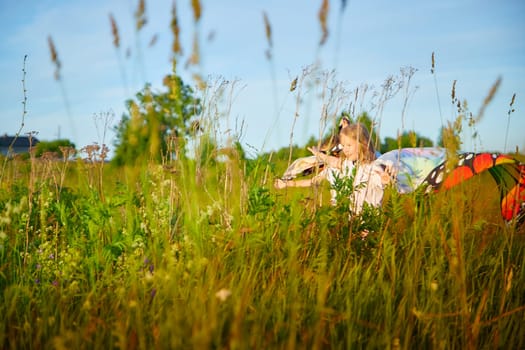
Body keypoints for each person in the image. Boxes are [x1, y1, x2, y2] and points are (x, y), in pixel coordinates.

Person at [275, 123, 393, 214]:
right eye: (343, 146)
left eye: (348, 146)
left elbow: (381, 179)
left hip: (369, 218)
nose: (345, 150)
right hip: (349, 216)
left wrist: (384, 179)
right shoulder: (346, 165)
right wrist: (319, 155)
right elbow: (329, 165)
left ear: (363, 144)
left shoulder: (372, 167)